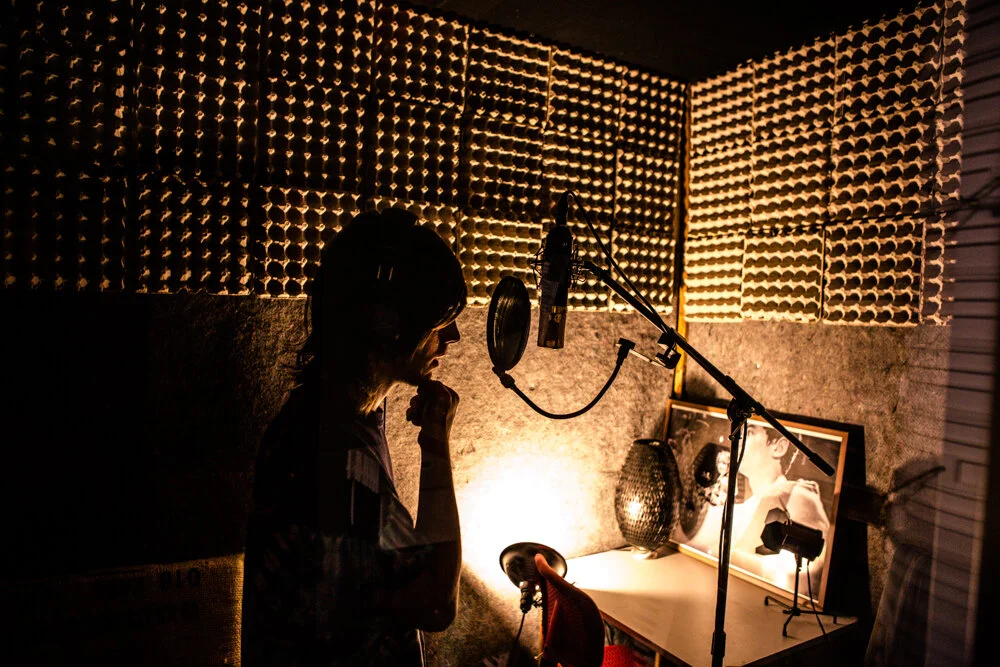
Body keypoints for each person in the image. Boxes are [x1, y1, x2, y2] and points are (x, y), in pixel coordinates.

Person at [242, 208, 467, 666]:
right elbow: (436, 602)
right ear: (387, 324)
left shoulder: (333, 415)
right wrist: (436, 444)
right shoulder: (338, 458)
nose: (453, 337)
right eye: (438, 322)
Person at [687, 425, 830, 592]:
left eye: (749, 432)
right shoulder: (749, 503)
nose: (736, 439)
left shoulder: (796, 494)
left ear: (779, 448)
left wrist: (732, 557)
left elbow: (811, 573)